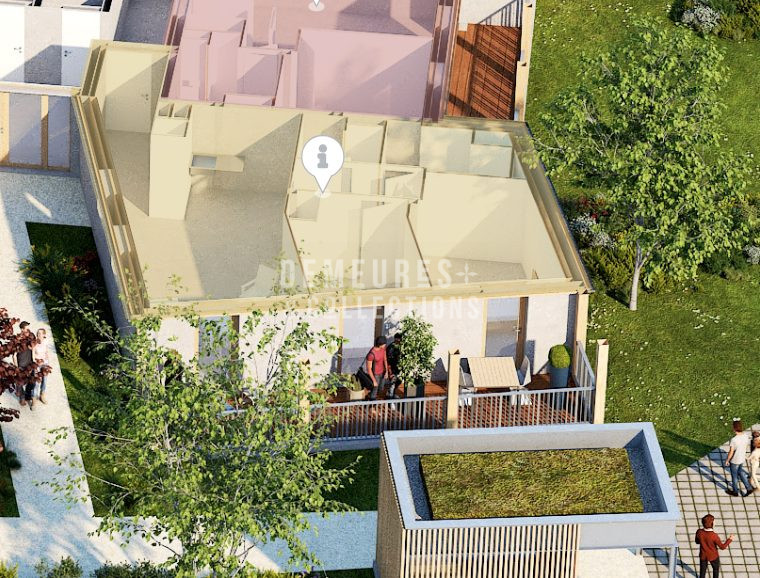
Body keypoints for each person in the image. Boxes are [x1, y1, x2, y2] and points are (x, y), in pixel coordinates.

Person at [694, 514, 733, 578]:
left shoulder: (699, 532)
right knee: (715, 569)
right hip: (713, 555)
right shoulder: (714, 536)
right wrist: (730, 539)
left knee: (702, 571)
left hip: (703, 555)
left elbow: (697, 542)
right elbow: (722, 547)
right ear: (711, 524)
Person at [725, 418, 753, 497]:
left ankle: (735, 492)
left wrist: (727, 460)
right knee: (740, 472)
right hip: (742, 458)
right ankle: (749, 488)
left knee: (734, 476)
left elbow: (731, 452)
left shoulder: (734, 440)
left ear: (734, 428)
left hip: (735, 460)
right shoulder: (746, 436)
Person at [14, 321, 35, 408]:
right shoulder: (18, 339)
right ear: (22, 329)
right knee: (19, 383)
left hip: (30, 363)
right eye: (27, 329)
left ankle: (28, 395)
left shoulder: (31, 336)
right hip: (21, 364)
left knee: (31, 381)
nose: (28, 330)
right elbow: (14, 355)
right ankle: (22, 397)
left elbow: (34, 347)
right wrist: (16, 366)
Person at [365, 336, 390, 401]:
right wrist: (374, 380)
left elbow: (385, 359)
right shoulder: (371, 354)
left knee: (381, 388)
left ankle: (369, 395)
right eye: (384, 344)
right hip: (375, 374)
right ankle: (371, 404)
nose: (385, 345)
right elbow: (369, 369)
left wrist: (386, 371)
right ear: (380, 344)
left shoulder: (383, 349)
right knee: (375, 390)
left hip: (382, 372)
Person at [33, 328, 50, 404]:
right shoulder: (34, 343)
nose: (39, 335)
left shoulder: (46, 342)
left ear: (44, 335)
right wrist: (35, 365)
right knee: (37, 382)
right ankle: (34, 398)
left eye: (40, 333)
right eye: (38, 333)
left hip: (44, 363)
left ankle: (42, 395)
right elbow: (33, 355)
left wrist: (47, 363)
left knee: (44, 381)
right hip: (37, 363)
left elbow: (46, 352)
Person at [386, 333, 402, 397]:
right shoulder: (391, 347)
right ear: (395, 339)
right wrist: (390, 372)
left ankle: (391, 394)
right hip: (392, 369)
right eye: (399, 339)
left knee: (398, 381)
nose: (400, 341)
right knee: (392, 383)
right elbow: (388, 361)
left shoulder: (400, 347)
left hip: (398, 368)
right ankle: (390, 398)